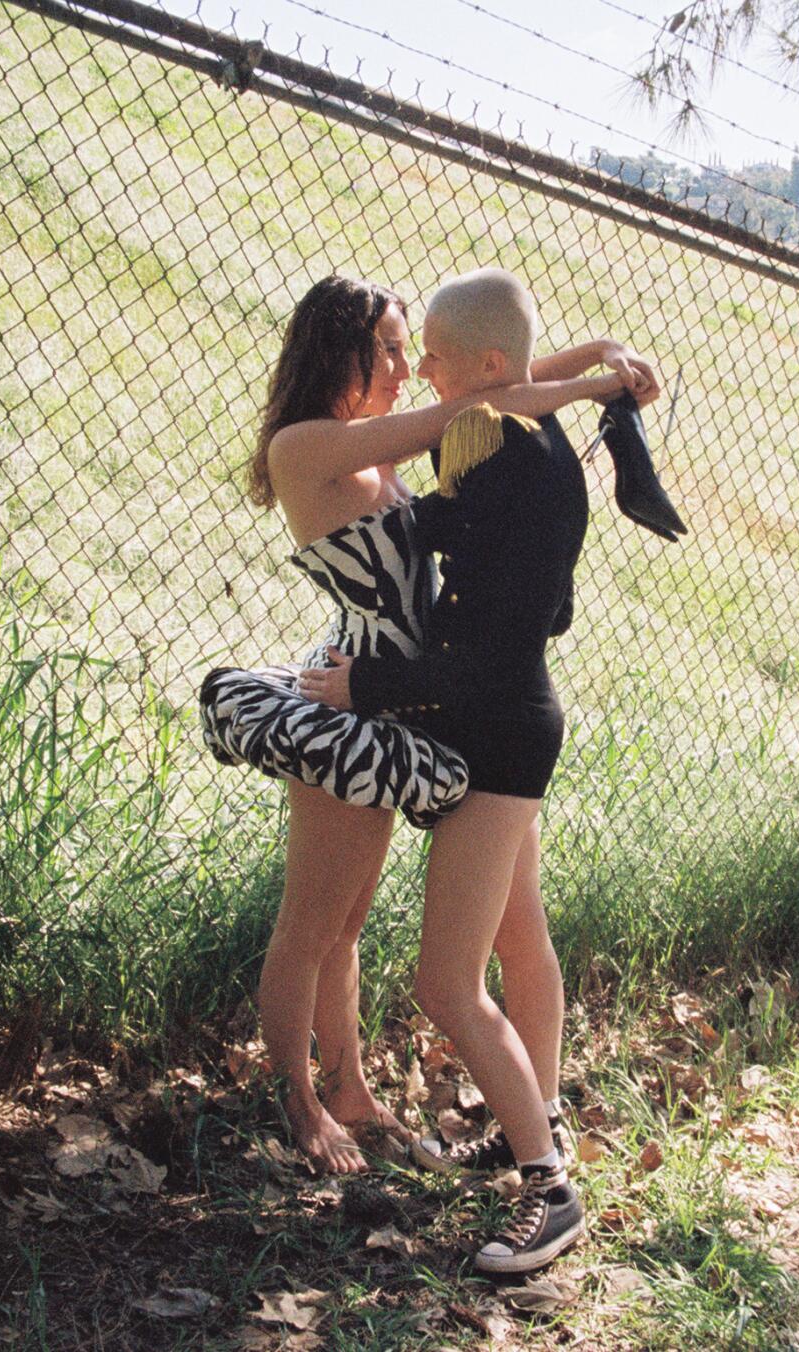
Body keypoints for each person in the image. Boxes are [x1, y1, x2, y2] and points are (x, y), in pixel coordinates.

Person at [200, 274, 656, 1175]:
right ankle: (303, 1107)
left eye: (418, 349)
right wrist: (590, 385)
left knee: (429, 927)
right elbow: (474, 406)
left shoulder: (381, 451)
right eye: (396, 349)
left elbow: (490, 388)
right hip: (355, 704)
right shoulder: (311, 447)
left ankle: (377, 1096)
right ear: (343, 354)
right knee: (316, 926)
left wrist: (602, 350)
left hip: (440, 699)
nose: (413, 367)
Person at [298, 267, 627, 1273]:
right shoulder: (500, 441)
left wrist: (364, 687)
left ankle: (547, 1188)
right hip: (493, 730)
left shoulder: (522, 468)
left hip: (497, 737)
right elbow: (495, 409)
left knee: (445, 979)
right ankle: (538, 1118)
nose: (421, 373)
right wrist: (596, 368)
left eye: (431, 357)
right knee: (518, 938)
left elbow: (480, 660)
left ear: (479, 368)